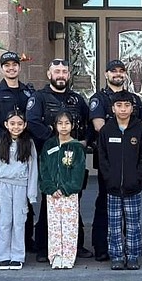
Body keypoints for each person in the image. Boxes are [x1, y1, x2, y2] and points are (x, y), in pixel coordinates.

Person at [26, 58, 90, 263]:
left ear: (68, 75)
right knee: (50, 203)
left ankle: (75, 246)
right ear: (49, 74)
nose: (60, 75)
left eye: (64, 71)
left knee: (73, 200)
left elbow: (87, 122)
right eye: (57, 71)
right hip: (50, 154)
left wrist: (82, 142)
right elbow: (33, 122)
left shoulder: (77, 99)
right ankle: (45, 248)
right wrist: (54, 141)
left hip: (72, 154)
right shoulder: (39, 97)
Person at [88, 59, 142, 261]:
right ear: (106, 74)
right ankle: (102, 247)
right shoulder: (99, 98)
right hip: (110, 162)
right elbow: (99, 126)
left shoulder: (133, 98)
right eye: (113, 71)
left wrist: (136, 132)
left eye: (121, 71)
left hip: (131, 160)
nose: (118, 74)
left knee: (131, 209)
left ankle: (132, 246)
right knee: (105, 206)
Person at [0, 51, 37, 250]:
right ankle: (0, 245)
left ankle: (24, 243)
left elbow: (34, 118)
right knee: (2, 207)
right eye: (7, 65)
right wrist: (6, 137)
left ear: (19, 68)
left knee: (24, 205)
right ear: (2, 68)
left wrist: (22, 138)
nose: (11, 68)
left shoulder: (29, 92)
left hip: (24, 149)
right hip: (3, 150)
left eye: (15, 65)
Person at [97, 92, 142, 271]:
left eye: (126, 105)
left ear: (132, 108)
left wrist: (138, 176)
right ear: (113, 108)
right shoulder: (107, 130)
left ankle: (133, 256)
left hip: (132, 187)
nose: (123, 109)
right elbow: (101, 156)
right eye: (119, 105)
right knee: (114, 225)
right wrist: (108, 176)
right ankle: (117, 256)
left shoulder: (140, 129)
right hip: (112, 187)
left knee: (133, 224)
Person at [0, 110, 39, 270]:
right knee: (3, 221)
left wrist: (31, 194)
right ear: (6, 125)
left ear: (24, 125)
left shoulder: (29, 144)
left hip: (21, 186)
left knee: (19, 221)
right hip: (4, 185)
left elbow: (33, 170)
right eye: (12, 123)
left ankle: (17, 256)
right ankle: (3, 256)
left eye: (19, 123)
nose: (16, 127)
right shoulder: (0, 143)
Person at [39, 111, 88, 269]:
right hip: (52, 194)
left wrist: (67, 188)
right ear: (55, 125)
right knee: (54, 226)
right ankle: (55, 255)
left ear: (72, 125)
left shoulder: (76, 147)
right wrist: (50, 188)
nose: (64, 127)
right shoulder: (49, 145)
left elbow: (78, 172)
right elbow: (44, 169)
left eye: (67, 123)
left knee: (69, 226)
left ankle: (68, 256)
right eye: (60, 123)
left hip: (69, 194)